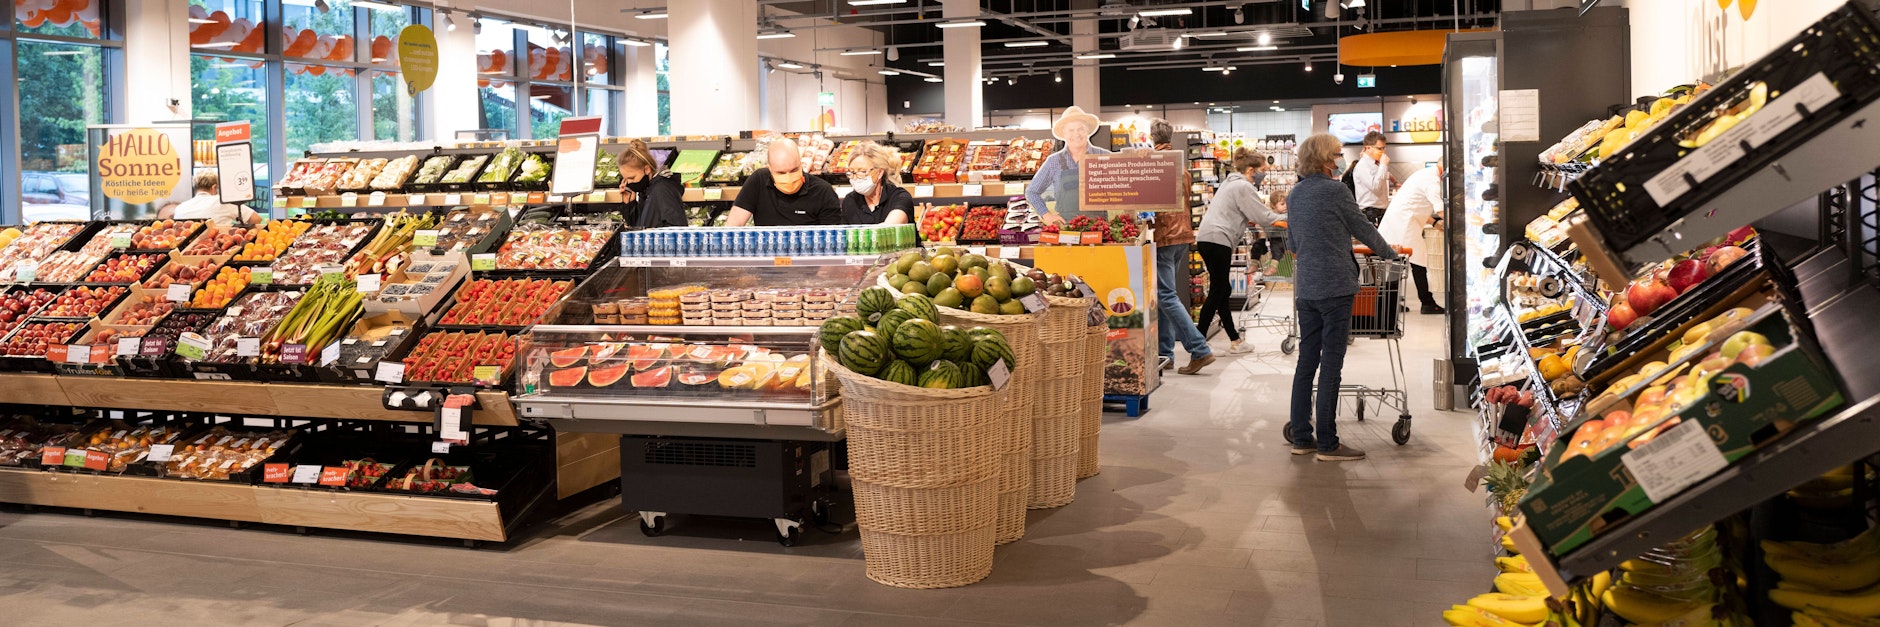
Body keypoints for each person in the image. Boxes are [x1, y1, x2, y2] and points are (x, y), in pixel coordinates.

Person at [1287, 133, 1401, 462]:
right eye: (1337, 154)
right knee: (1331, 365)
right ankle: (1328, 443)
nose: (1340, 159)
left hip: (1306, 288)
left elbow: (1292, 244)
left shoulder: (1295, 194)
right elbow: (1363, 228)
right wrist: (1390, 254)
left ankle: (1302, 437)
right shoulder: (1336, 191)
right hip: (1336, 287)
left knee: (1306, 362)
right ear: (1325, 159)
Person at [1195, 148, 1285, 354]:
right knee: (1218, 290)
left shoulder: (1230, 183)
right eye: (1263, 170)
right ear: (1251, 170)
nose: (1264, 174)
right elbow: (1265, 217)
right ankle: (1198, 344)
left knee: (1222, 290)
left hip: (1207, 238)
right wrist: (1290, 219)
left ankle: (1235, 340)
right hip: (1218, 240)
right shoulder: (1243, 186)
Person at [1148, 118, 1213, 375]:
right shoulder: (1181, 167)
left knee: (1165, 296)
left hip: (1163, 237)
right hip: (1182, 236)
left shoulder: (1152, 165)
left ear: (1151, 137)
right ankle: (1165, 354)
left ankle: (1199, 349)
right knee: (1165, 296)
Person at [1025, 106, 1112, 226]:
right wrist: (1046, 215)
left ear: (1087, 130)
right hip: (1067, 228)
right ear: (1064, 134)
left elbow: (1128, 183)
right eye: (1071, 130)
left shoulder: (1104, 156)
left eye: (1081, 129)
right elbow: (1032, 192)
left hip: (1098, 227)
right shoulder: (1054, 161)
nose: (1076, 134)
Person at [1378, 164, 1446, 314]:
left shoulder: (1424, 175)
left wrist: (1434, 223)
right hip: (1404, 225)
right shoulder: (1432, 181)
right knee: (1414, 262)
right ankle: (1426, 303)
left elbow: (1416, 206)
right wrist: (1459, 223)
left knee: (1400, 263)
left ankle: (1389, 304)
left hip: (1401, 222)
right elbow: (1441, 210)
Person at [726, 140, 841, 226]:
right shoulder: (759, 180)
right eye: (781, 173)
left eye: (794, 170)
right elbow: (733, 225)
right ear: (770, 168)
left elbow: (831, 241)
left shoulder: (823, 192)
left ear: (801, 163)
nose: (788, 177)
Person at [613, 139, 689, 229]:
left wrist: (652, 232)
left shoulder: (662, 190)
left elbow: (677, 229)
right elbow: (640, 226)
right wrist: (630, 204)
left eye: (632, 178)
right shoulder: (647, 190)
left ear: (647, 169)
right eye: (625, 179)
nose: (628, 183)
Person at [839, 143, 913, 225]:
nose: (855, 178)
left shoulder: (899, 197)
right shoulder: (850, 201)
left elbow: (891, 226)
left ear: (880, 172)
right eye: (852, 172)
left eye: (862, 172)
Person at [161, 170, 262, 227]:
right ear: (214, 187)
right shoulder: (222, 202)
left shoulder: (180, 208)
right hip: (219, 250)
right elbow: (256, 219)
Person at [1351, 131, 1392, 225]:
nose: (1383, 152)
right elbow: (1375, 187)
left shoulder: (1376, 164)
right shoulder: (1363, 166)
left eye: (1384, 148)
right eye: (1379, 148)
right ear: (1368, 148)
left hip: (1380, 211)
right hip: (1370, 212)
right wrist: (1383, 165)